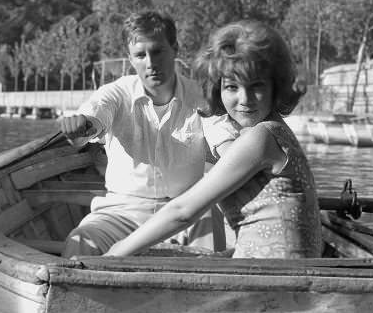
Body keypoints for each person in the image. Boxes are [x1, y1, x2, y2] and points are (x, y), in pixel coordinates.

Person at [107, 20, 322, 260]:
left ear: (276, 86)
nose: (245, 99)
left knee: (133, 255)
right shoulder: (271, 131)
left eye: (257, 86)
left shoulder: (261, 138)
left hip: (274, 279)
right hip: (276, 266)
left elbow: (182, 212)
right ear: (217, 88)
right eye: (232, 86)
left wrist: (114, 253)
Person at [59, 11, 211, 256]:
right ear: (131, 59)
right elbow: (93, 119)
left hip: (187, 213)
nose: (150, 62)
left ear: (175, 49)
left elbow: (226, 145)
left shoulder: (203, 100)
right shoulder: (117, 94)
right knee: (81, 241)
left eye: (158, 51)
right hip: (121, 214)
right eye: (140, 55)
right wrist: (81, 125)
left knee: (219, 247)